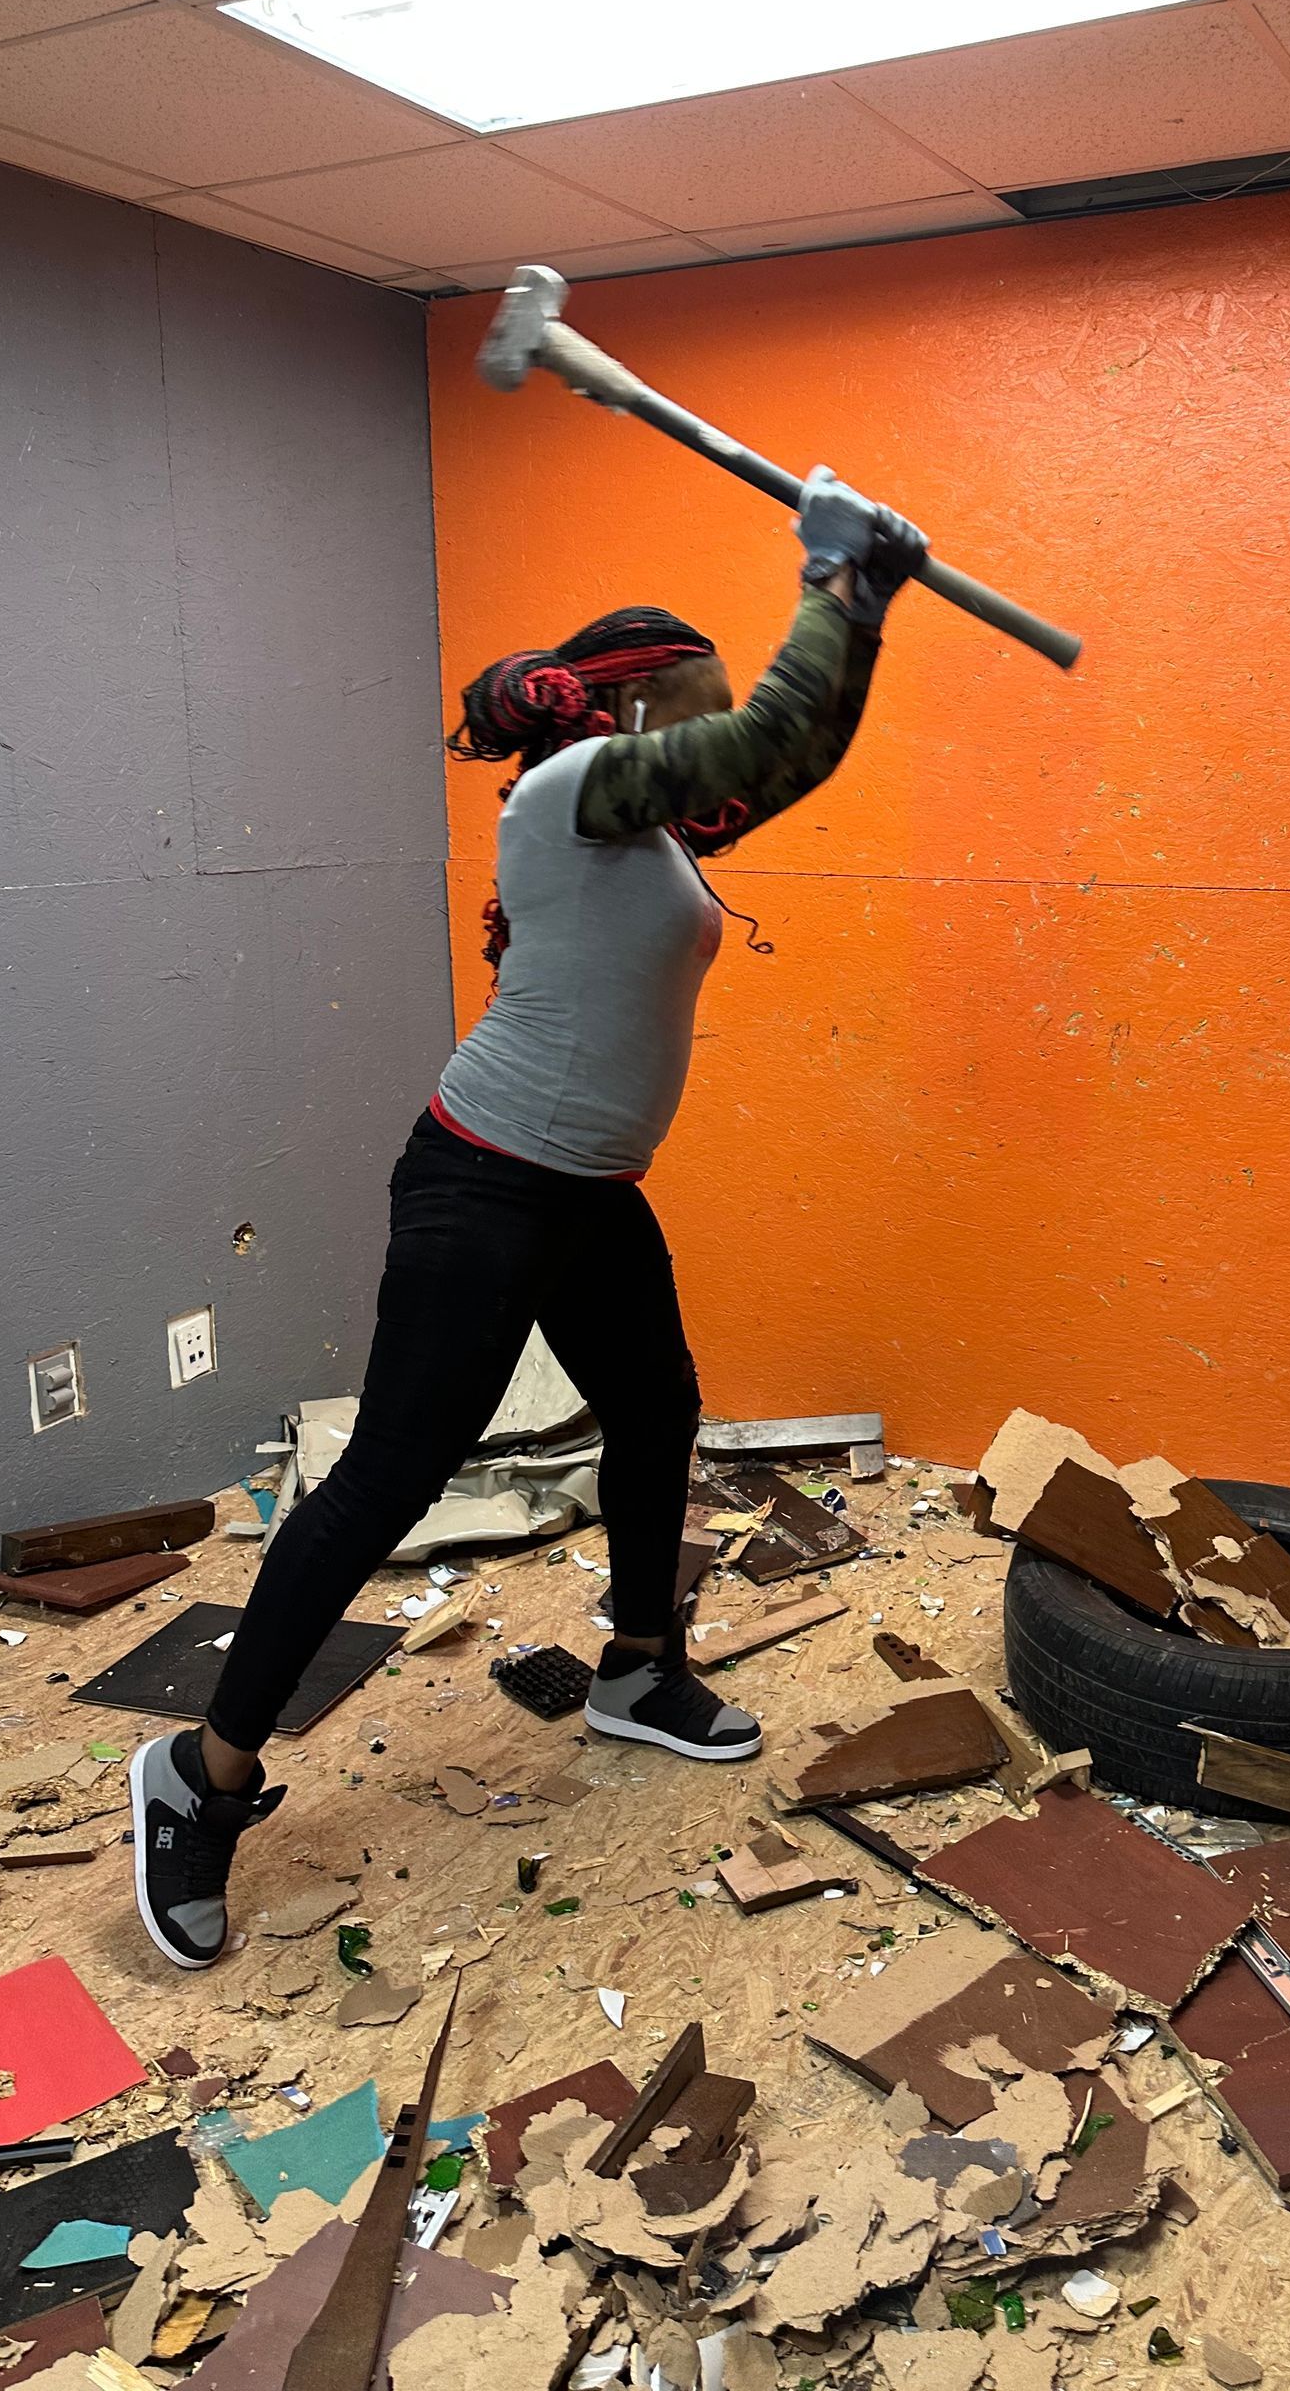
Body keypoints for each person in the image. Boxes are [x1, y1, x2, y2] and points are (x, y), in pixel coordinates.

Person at [128, 470, 926, 1969]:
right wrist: (831, 573)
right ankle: (201, 1779)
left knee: (655, 1413)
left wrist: (863, 608)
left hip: (584, 1192)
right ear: (629, 718)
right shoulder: (569, 799)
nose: (711, 737)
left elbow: (788, 753)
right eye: (688, 707)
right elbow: (764, 731)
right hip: (483, 1182)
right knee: (389, 1478)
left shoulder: (661, 830)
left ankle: (636, 1669)